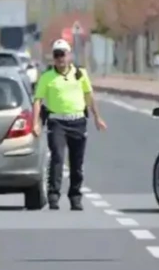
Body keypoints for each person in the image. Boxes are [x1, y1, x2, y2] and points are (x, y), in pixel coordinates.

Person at [32, 38, 107, 211]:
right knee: (57, 157)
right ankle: (53, 195)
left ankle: (75, 196)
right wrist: (36, 123)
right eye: (56, 55)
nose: (60, 59)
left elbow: (89, 96)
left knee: (77, 161)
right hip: (57, 122)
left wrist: (97, 117)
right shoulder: (47, 77)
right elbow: (38, 101)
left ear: (69, 55)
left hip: (77, 121)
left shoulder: (80, 74)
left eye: (62, 54)